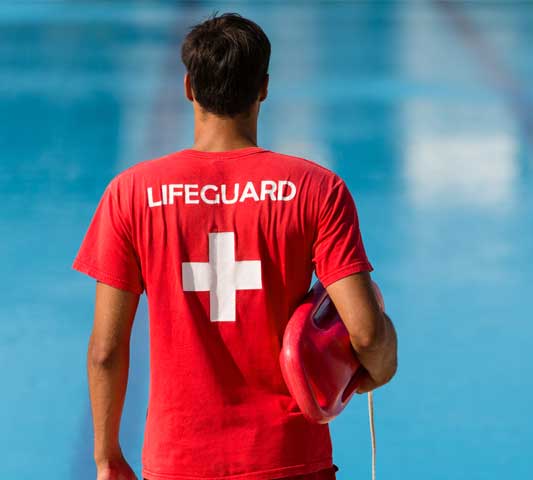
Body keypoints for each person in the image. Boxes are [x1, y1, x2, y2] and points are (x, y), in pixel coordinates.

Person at [73, 13, 397, 480]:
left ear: (188, 87)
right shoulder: (316, 189)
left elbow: (106, 348)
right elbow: (365, 333)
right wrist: (380, 366)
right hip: (289, 459)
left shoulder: (131, 193)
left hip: (178, 461)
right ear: (263, 87)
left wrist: (107, 457)